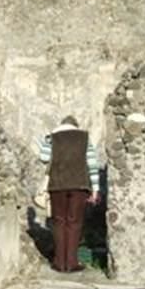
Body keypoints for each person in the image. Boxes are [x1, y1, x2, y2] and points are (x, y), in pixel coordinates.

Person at [37, 116, 100, 272]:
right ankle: (72, 263)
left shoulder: (52, 138)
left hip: (57, 184)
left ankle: (59, 263)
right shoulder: (84, 138)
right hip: (80, 185)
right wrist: (95, 189)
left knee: (59, 222)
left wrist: (48, 140)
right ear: (75, 126)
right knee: (75, 222)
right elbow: (92, 164)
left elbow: (43, 158)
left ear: (61, 125)